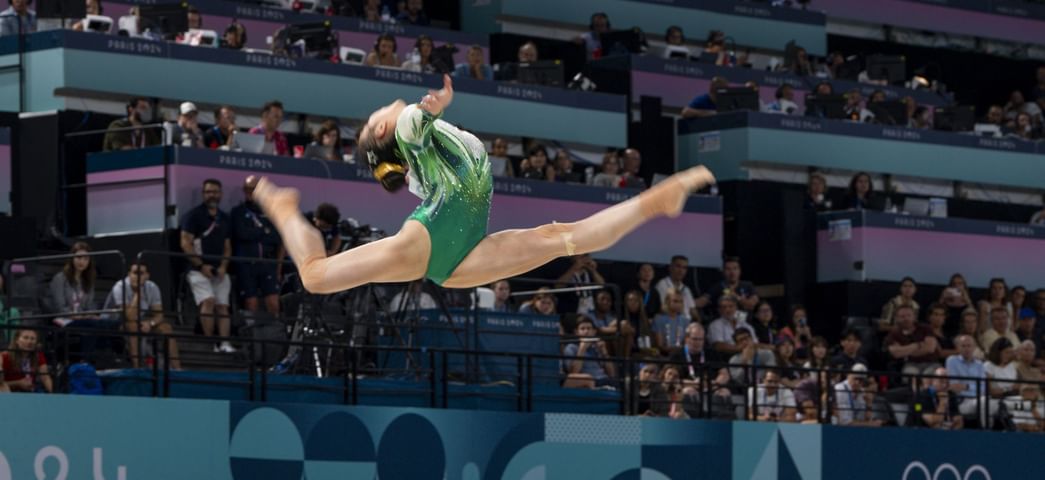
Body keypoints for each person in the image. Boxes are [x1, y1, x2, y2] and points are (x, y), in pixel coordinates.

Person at [253, 76, 715, 297]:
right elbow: (415, 120)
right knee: (314, 277)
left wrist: (433, 111)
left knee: (561, 238)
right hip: (432, 239)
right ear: (380, 134)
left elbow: (416, 138)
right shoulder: (409, 129)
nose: (377, 113)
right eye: (374, 121)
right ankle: (280, 205)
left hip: (458, 258)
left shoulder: (420, 149)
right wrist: (436, 105)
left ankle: (656, 201)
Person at [180, 179, 235, 353]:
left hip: (219, 271)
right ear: (204, 194)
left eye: (216, 192)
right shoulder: (193, 216)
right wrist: (201, 265)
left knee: (223, 306)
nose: (212, 195)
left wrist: (224, 266)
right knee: (208, 301)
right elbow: (185, 243)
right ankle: (210, 343)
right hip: (197, 271)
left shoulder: (225, 218)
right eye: (209, 192)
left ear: (221, 194)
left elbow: (227, 246)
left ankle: (225, 343)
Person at [102, 263, 182, 370]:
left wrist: (150, 323)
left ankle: (178, 369)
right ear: (129, 274)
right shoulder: (120, 286)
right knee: (133, 326)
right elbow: (129, 316)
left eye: (142, 273)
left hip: (135, 321)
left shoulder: (152, 287)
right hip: (112, 323)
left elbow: (159, 315)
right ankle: (137, 368)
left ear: (147, 275)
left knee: (166, 328)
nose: (138, 277)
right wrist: (137, 294)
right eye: (135, 273)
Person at [231, 177, 282, 315]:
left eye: (254, 189)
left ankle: (275, 333)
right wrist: (263, 231)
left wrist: (278, 268)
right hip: (246, 265)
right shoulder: (238, 212)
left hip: (267, 264)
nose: (250, 192)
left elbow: (276, 238)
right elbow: (242, 234)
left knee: (273, 302)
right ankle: (252, 332)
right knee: (251, 302)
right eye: (248, 189)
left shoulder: (270, 213)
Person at [2, 328, 53, 393]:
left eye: (32, 339)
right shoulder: (4, 356)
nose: (29, 342)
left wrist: (53, 394)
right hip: (10, 394)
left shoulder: (38, 354)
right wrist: (18, 383)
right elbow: (1, 385)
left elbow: (45, 378)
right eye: (25, 338)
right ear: (16, 340)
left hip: (31, 392)